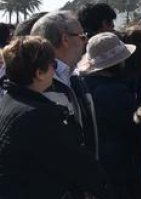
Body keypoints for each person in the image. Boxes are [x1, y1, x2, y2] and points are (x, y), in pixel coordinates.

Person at [0, 36, 106, 199]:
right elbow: (75, 163)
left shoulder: (9, 101)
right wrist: (103, 187)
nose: (55, 72)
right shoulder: (39, 115)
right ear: (40, 72)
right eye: (53, 66)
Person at [80, 32, 141, 199]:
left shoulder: (80, 85)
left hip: (91, 169)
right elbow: (134, 130)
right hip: (117, 171)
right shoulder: (116, 92)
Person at [31, 11, 97, 154]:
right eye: (82, 36)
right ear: (65, 39)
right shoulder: (36, 83)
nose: (85, 41)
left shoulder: (75, 77)